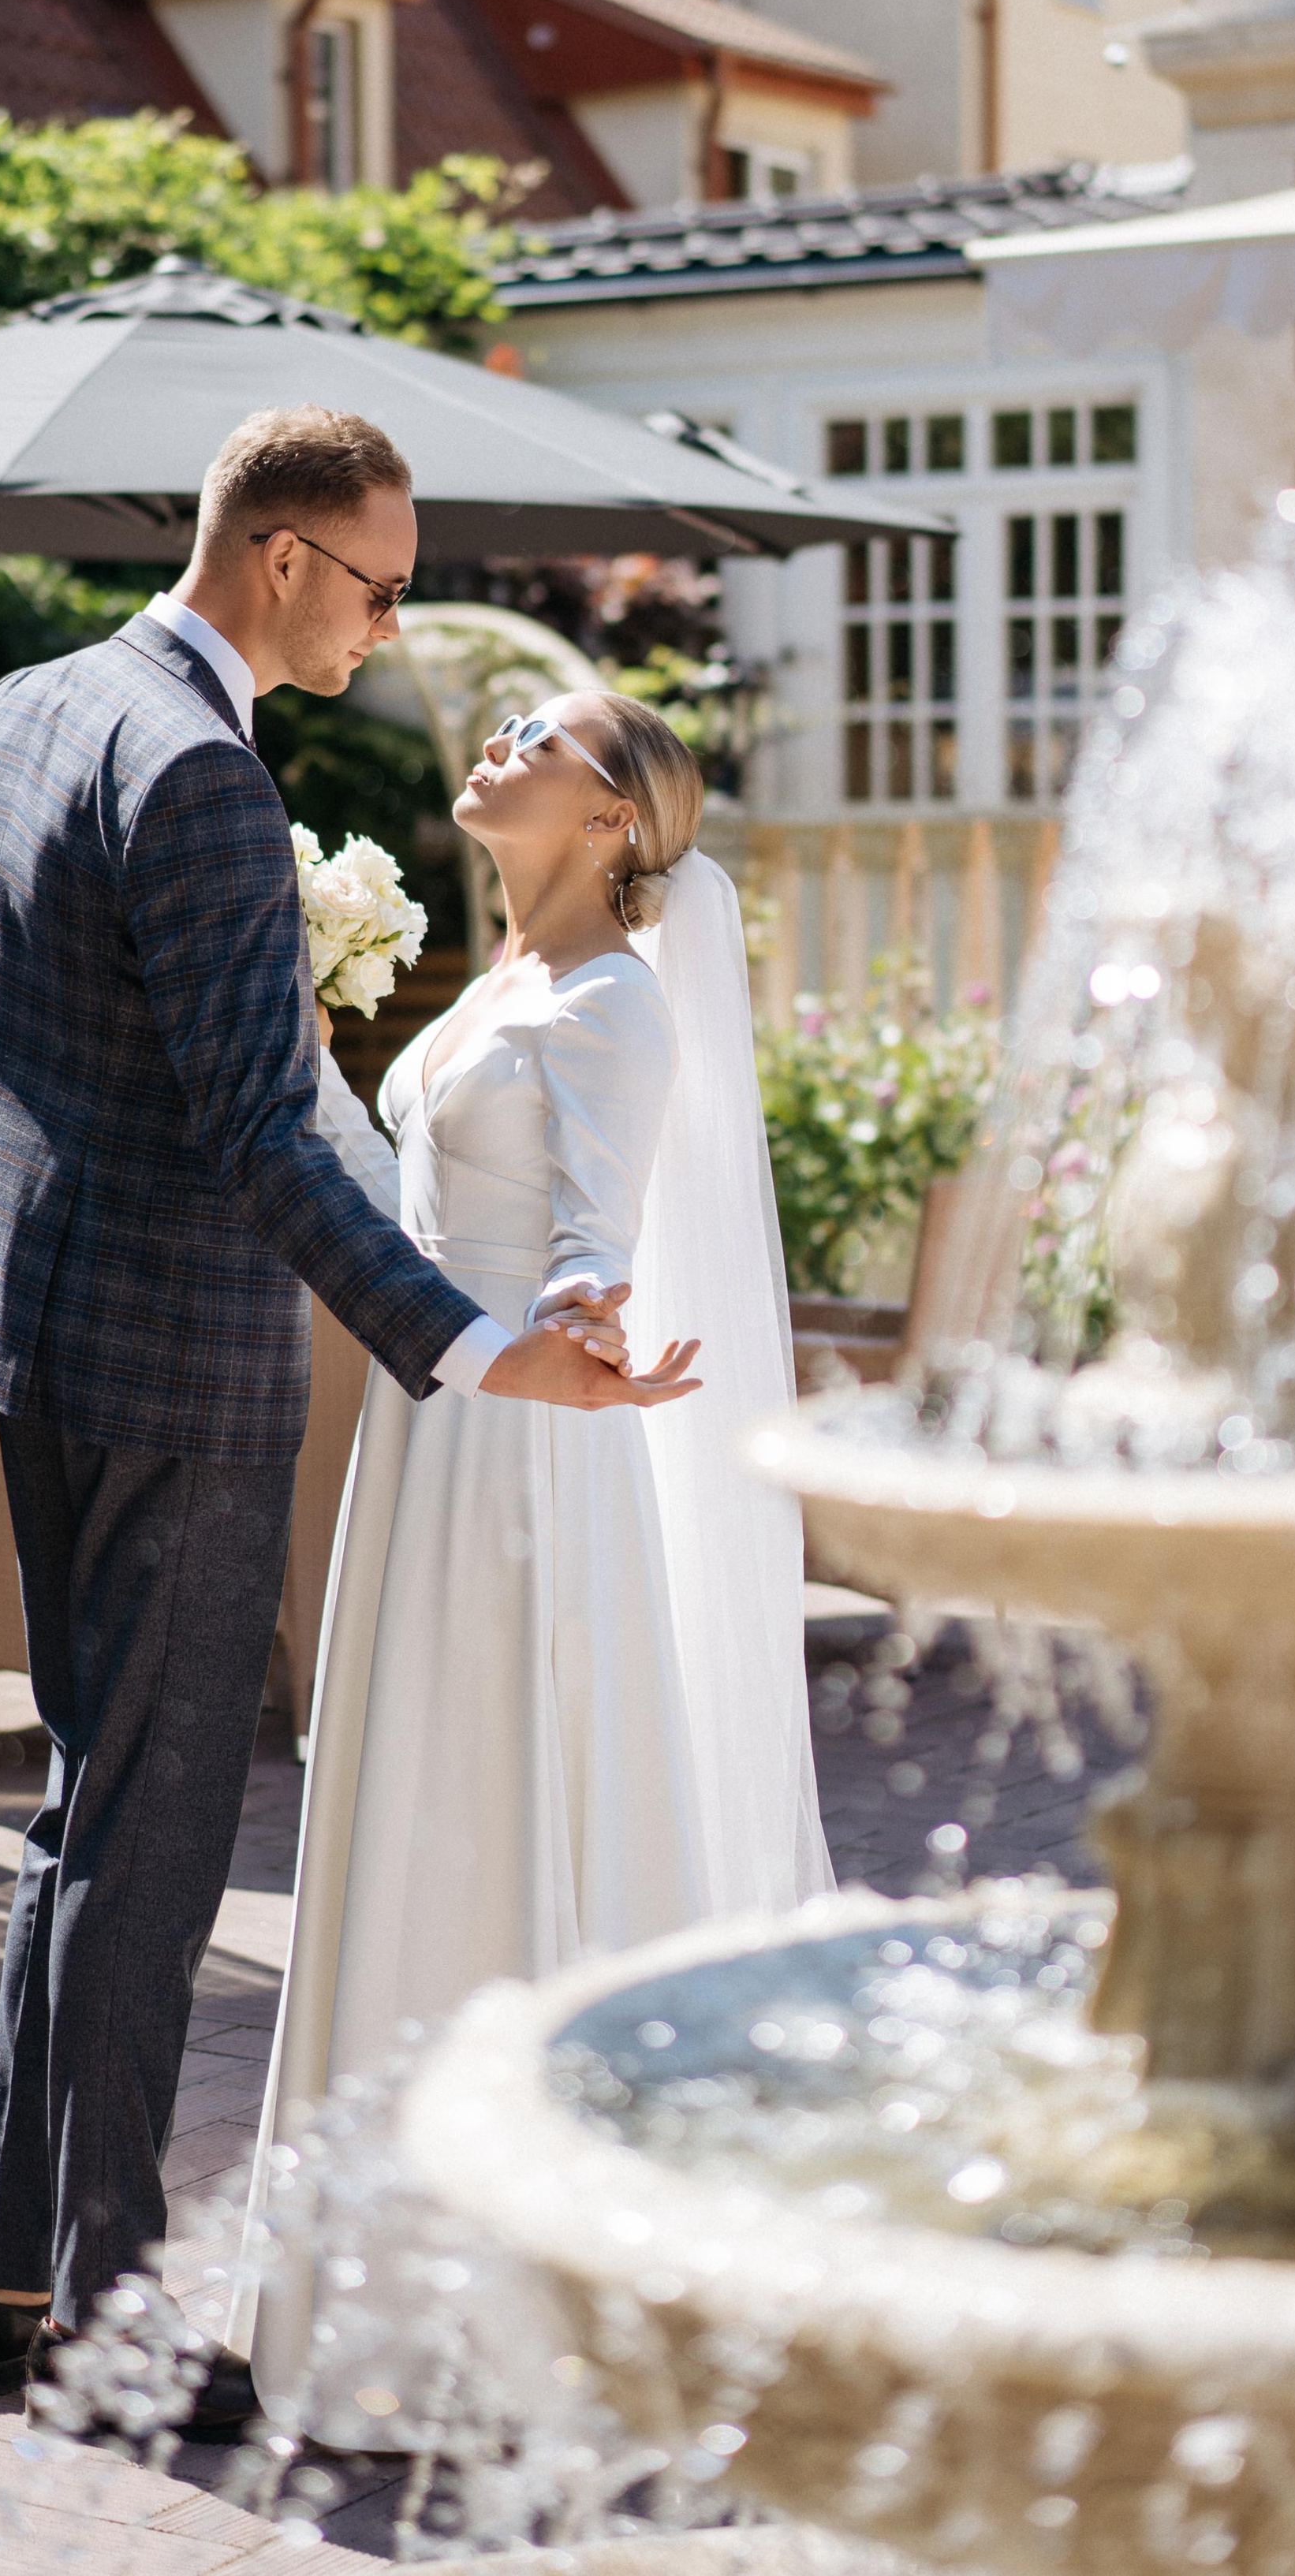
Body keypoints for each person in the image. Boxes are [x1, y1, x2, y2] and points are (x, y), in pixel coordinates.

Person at [0, 406, 696, 2440]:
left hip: (28, 1340)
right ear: (281, 557)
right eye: (382, 583)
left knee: (85, 1805)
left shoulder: (23, 707)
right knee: (146, 1842)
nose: (393, 625)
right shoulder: (209, 779)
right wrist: (484, 1350)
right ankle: (114, 2328)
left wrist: (74, 1148)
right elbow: (253, 1136)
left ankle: (4, 2281)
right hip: (175, 1361)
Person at [237, 688, 834, 2412]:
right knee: (413, 1806)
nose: (497, 734)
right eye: (497, 719)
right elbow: (388, 1194)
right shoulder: (499, 987)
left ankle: (514, 2335)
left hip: (519, 1460)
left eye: (544, 735)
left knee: (496, 1809)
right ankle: (388, 2312)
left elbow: (595, 1231)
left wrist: (587, 1311)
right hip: (430, 1438)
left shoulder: (609, 1005)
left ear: (613, 822)